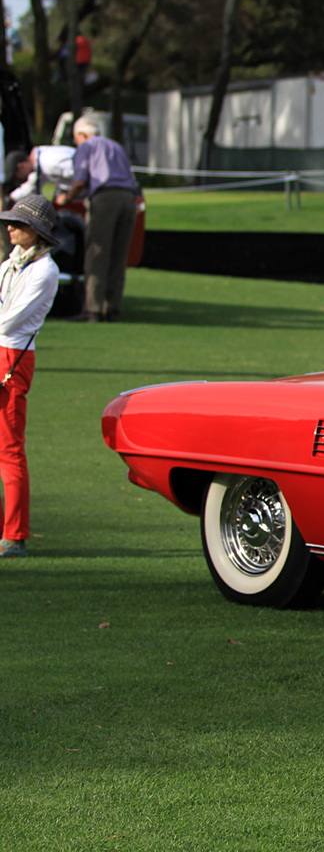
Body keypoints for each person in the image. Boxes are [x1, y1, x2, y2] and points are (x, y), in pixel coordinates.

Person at [0, 195, 62, 558]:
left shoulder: (44, 270)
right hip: (5, 348)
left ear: (35, 232)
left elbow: (10, 321)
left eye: (17, 224)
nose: (10, 227)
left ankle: (15, 535)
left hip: (13, 356)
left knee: (9, 447)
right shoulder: (13, 262)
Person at [54, 114, 139, 321]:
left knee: (97, 253)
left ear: (82, 134)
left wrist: (66, 198)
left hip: (105, 198)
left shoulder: (87, 146)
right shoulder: (116, 147)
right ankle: (112, 309)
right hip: (129, 200)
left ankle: (92, 309)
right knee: (118, 256)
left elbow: (80, 180)